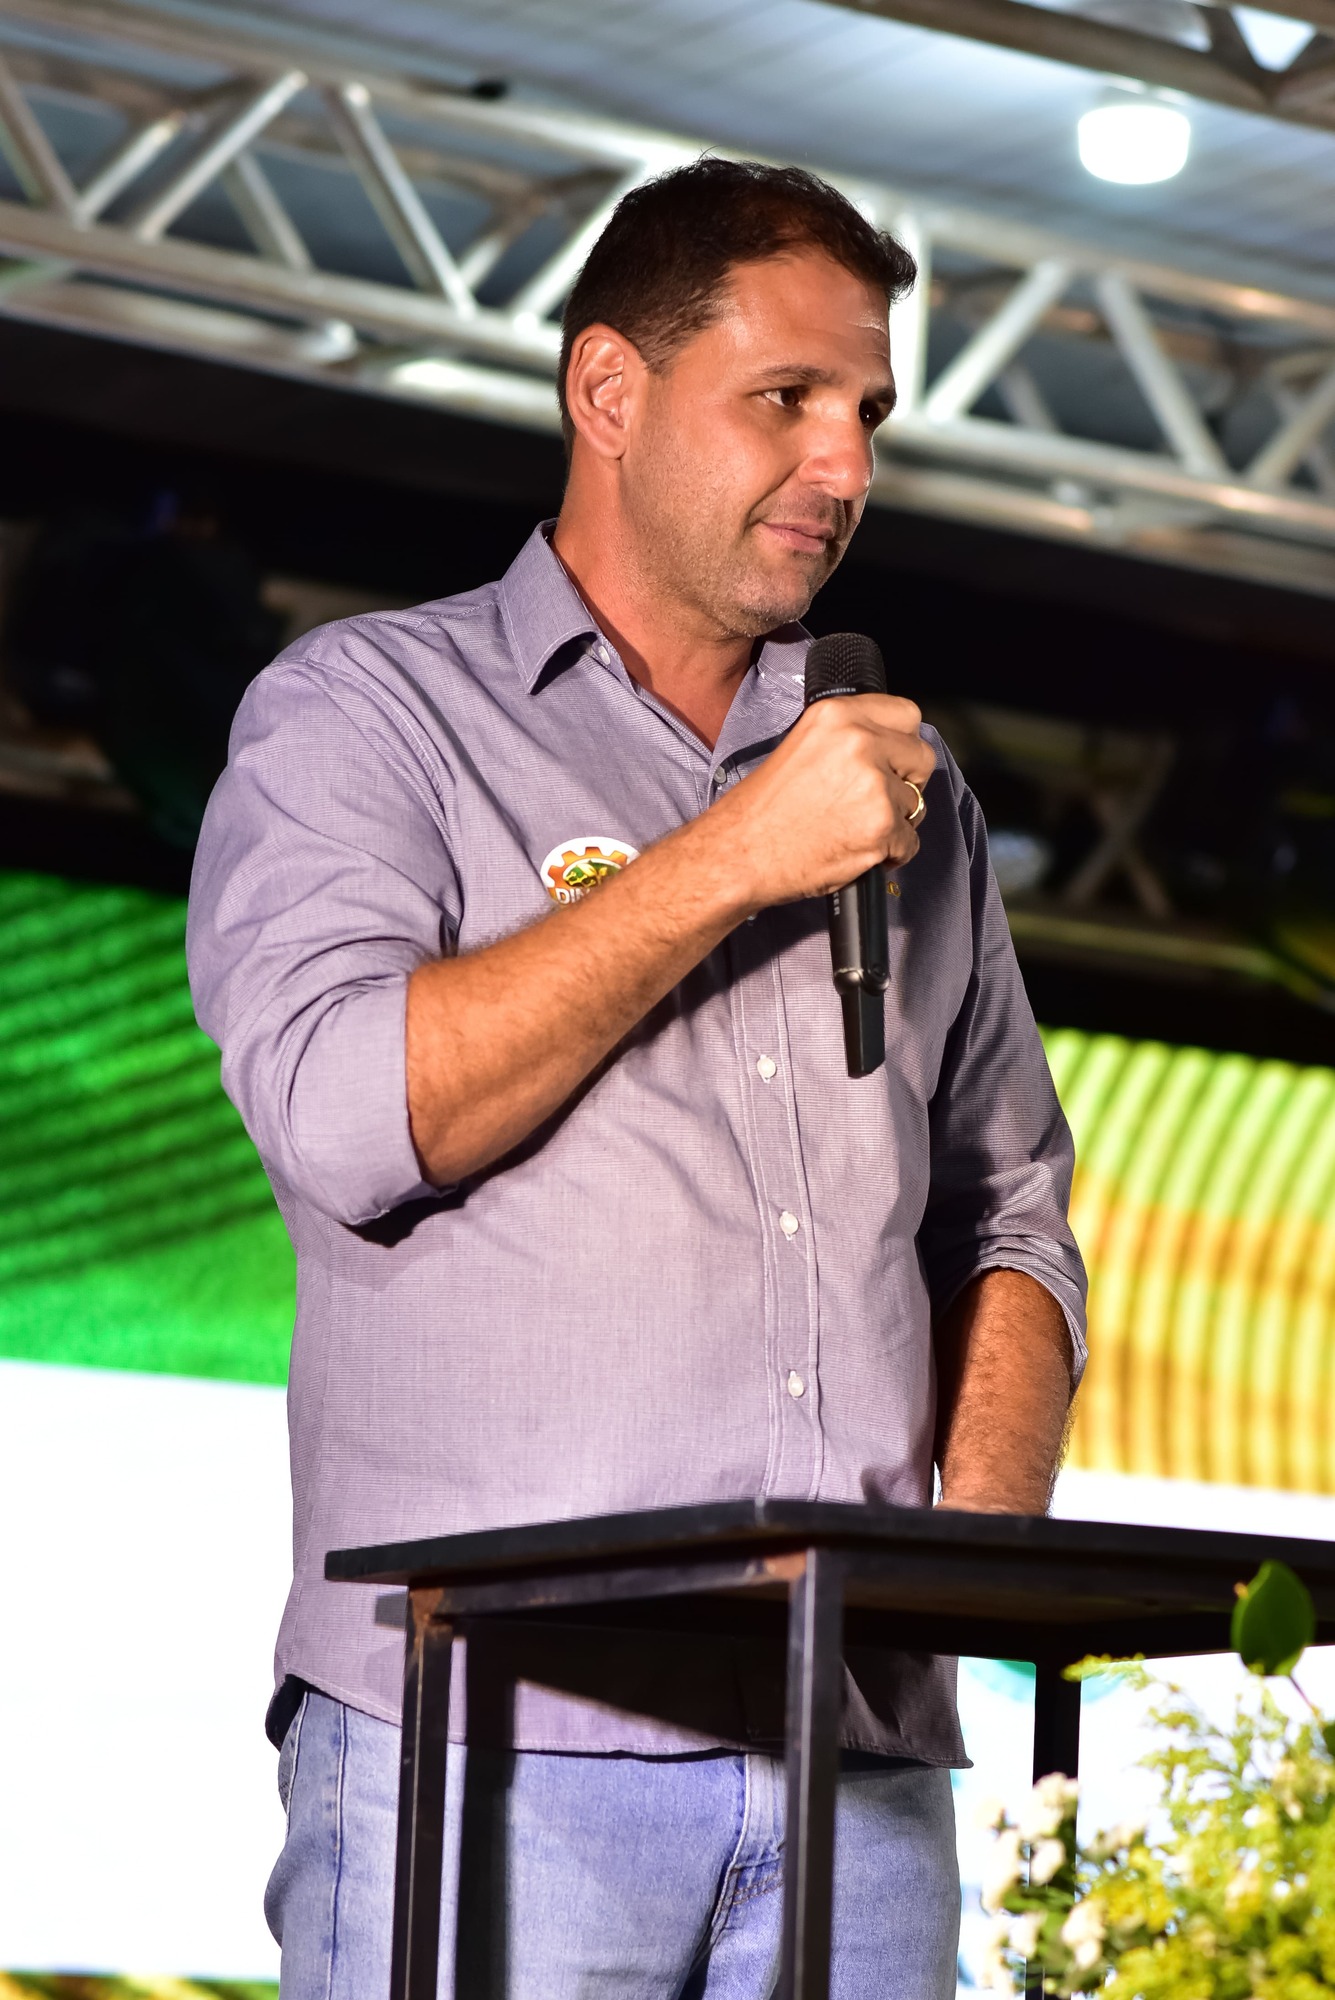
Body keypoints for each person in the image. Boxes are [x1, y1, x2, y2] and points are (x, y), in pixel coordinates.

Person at [188, 158, 1086, 2000]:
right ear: (609, 389)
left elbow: (1010, 1213)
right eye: (787, 398)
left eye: (868, 412)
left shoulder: (905, 798)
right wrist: (736, 855)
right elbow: (352, 1117)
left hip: (857, 1760)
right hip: (491, 1745)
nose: (842, 464)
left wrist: (970, 1561)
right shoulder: (368, 714)